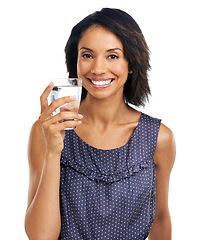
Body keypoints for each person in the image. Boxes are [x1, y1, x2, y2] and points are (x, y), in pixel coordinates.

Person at [24, 8, 176, 240]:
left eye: (112, 56)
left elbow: (161, 219)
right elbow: (40, 236)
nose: (97, 68)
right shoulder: (48, 129)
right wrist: (54, 151)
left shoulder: (159, 138)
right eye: (87, 55)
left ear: (131, 63)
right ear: (75, 61)